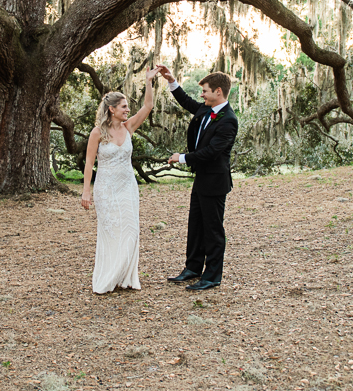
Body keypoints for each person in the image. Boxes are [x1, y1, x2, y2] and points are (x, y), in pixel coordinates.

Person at [156, 66, 238, 291]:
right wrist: (172, 81)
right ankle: (192, 268)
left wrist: (182, 157)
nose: (201, 95)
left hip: (215, 182)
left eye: (205, 91)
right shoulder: (205, 109)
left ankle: (212, 276)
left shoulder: (228, 120)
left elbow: (212, 152)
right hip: (201, 179)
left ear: (218, 92)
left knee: (212, 230)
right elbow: (187, 102)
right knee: (195, 226)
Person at [81, 68, 160, 294]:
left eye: (127, 107)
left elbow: (148, 107)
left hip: (127, 187)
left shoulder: (129, 127)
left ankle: (125, 276)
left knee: (130, 229)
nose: (128, 110)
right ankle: (109, 276)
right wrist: (86, 191)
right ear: (112, 109)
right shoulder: (97, 132)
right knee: (111, 230)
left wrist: (148, 81)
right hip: (105, 189)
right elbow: (89, 164)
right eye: (124, 107)